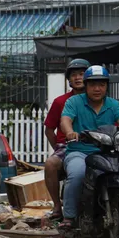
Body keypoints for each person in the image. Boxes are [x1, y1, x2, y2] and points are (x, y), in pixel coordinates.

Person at [59, 65, 119, 229]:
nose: (97, 89)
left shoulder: (112, 104)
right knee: (77, 174)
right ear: (86, 85)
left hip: (107, 153)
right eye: (92, 85)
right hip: (79, 152)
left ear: (107, 86)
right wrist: (70, 132)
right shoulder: (74, 102)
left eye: (102, 85)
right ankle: (69, 217)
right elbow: (65, 120)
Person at [43, 58, 90, 219]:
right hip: (68, 146)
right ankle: (57, 206)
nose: (78, 78)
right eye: (74, 75)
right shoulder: (60, 102)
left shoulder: (101, 100)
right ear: (69, 79)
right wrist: (58, 146)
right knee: (50, 164)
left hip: (97, 143)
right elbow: (49, 129)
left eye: (82, 74)